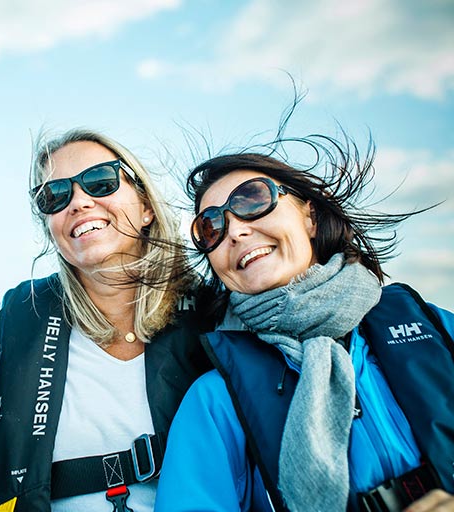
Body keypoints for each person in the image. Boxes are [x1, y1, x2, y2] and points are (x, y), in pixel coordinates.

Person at [155, 132, 454, 511]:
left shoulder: (435, 329)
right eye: (212, 228)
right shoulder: (215, 402)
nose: (236, 231)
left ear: (310, 216)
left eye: (252, 201)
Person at [0, 129, 215, 512]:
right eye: (55, 196)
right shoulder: (19, 318)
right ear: (50, 226)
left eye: (101, 181)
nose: (80, 202)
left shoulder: (217, 315)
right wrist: (20, 466)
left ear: (146, 206)